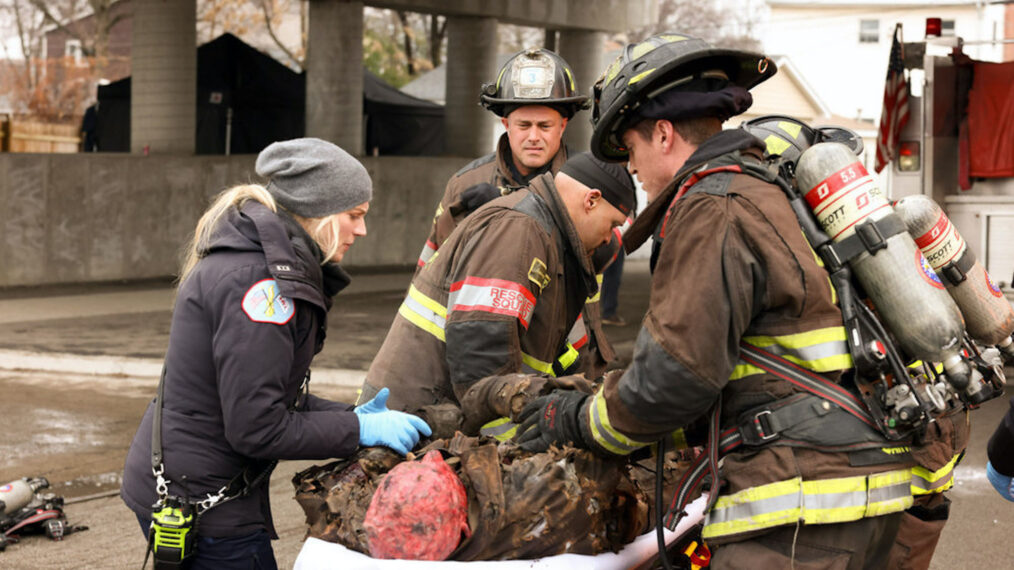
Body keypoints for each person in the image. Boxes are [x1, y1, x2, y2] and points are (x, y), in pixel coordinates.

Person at [515, 33, 966, 568]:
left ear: (662, 135)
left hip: (798, 504)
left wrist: (575, 419)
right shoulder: (767, 192)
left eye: (631, 149)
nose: (630, 170)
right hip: (860, 491)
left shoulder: (713, 206)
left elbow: (672, 381)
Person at [120, 138, 431, 569]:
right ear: (318, 212)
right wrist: (355, 432)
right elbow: (256, 427)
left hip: (193, 481)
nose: (362, 230)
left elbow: (265, 396)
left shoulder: (258, 264)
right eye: (354, 216)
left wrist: (352, 417)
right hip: (202, 500)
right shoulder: (260, 288)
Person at [362, 151, 634, 438]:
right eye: (614, 224)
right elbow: (481, 354)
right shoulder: (521, 229)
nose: (608, 238)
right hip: (413, 422)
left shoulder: (544, 230)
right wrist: (513, 443)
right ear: (591, 200)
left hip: (435, 415)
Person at [417, 47, 619, 379]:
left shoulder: (589, 182)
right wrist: (472, 225)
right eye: (523, 124)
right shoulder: (465, 184)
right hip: (483, 350)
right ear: (505, 122)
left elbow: (608, 248)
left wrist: (512, 213)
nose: (534, 136)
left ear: (563, 125)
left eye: (545, 125)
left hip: (570, 357)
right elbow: (430, 271)